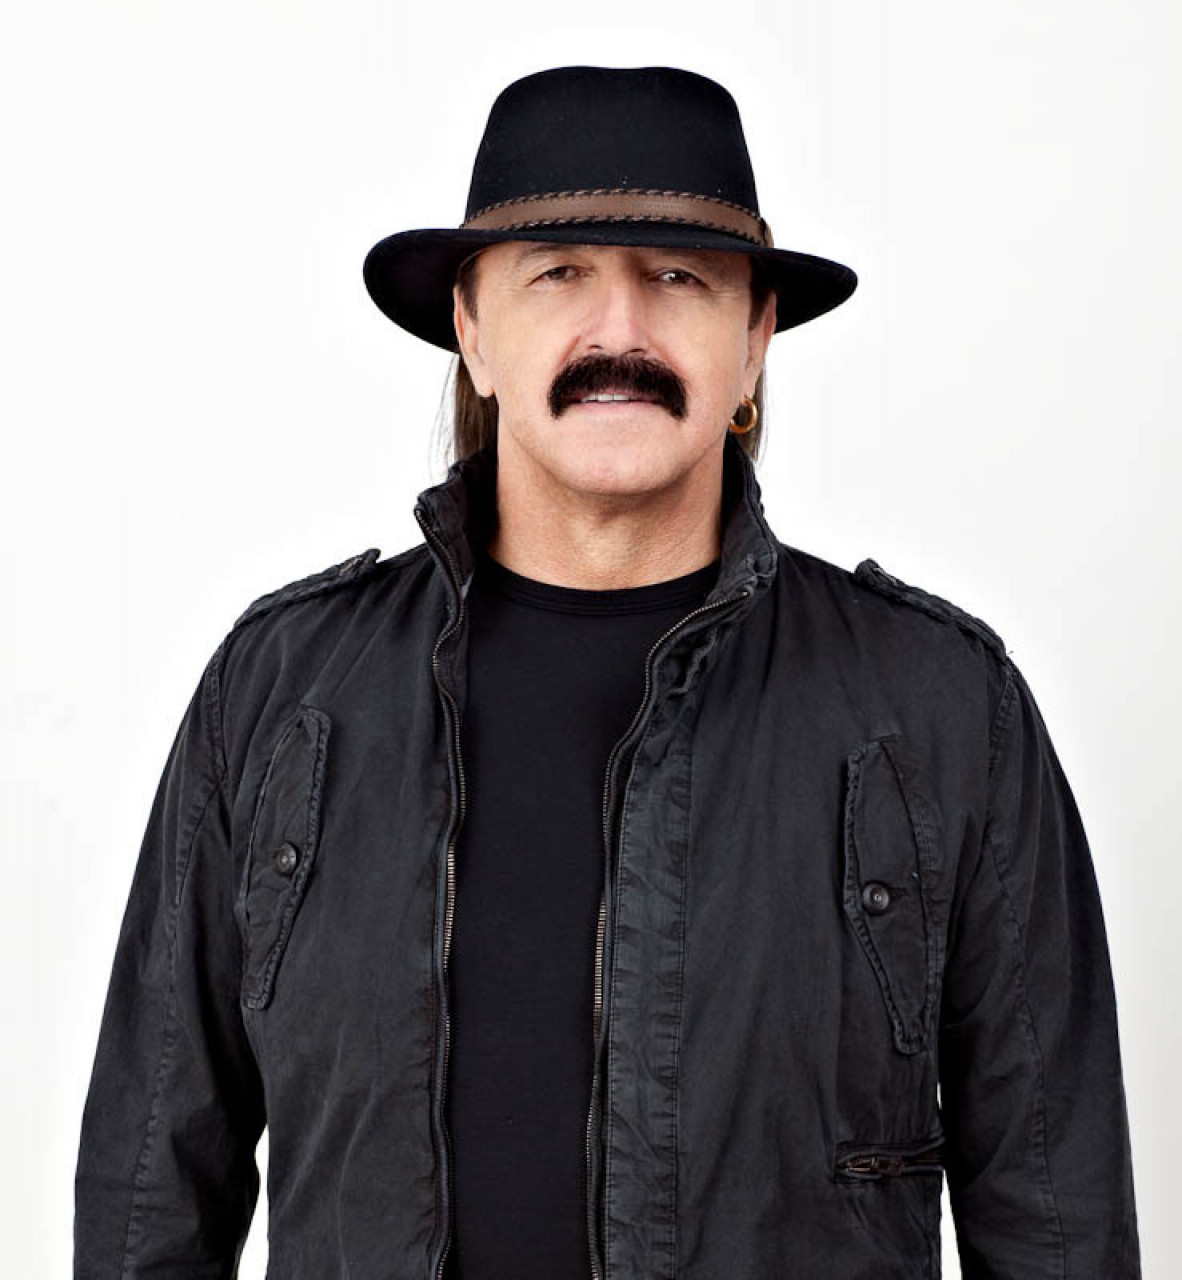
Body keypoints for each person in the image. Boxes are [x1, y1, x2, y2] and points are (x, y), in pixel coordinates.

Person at [74, 65, 1141, 1278]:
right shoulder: (279, 695)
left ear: (754, 340)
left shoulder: (941, 707)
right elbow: (149, 1197)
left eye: (679, 277)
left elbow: (1057, 1217)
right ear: (473, 332)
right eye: (559, 273)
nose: (620, 331)